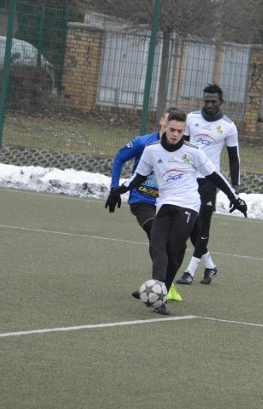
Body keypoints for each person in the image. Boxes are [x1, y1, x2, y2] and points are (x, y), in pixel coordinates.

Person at [105, 109, 247, 315]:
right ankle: (158, 289)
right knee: (157, 244)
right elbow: (139, 176)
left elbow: (215, 176)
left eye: (180, 131)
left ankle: (159, 292)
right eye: (172, 130)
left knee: (174, 248)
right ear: (165, 127)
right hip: (165, 205)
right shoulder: (152, 150)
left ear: (184, 131)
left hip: (188, 206)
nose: (175, 135)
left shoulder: (193, 151)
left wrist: (235, 197)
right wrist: (119, 190)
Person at [106, 106, 183, 302]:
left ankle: (163, 283)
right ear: (162, 122)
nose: (171, 131)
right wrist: (114, 188)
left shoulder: (181, 150)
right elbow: (119, 158)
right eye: (168, 124)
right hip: (142, 202)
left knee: (171, 244)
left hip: (166, 204)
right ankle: (161, 285)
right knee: (156, 234)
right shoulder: (144, 143)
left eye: (176, 128)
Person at [175, 84, 240, 286]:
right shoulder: (192, 119)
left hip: (210, 182)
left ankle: (190, 271)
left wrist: (235, 187)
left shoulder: (228, 126)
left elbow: (234, 158)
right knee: (190, 226)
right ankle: (210, 266)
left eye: (213, 101)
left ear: (221, 102)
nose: (209, 104)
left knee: (203, 226)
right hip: (188, 180)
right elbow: (180, 147)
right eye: (206, 101)